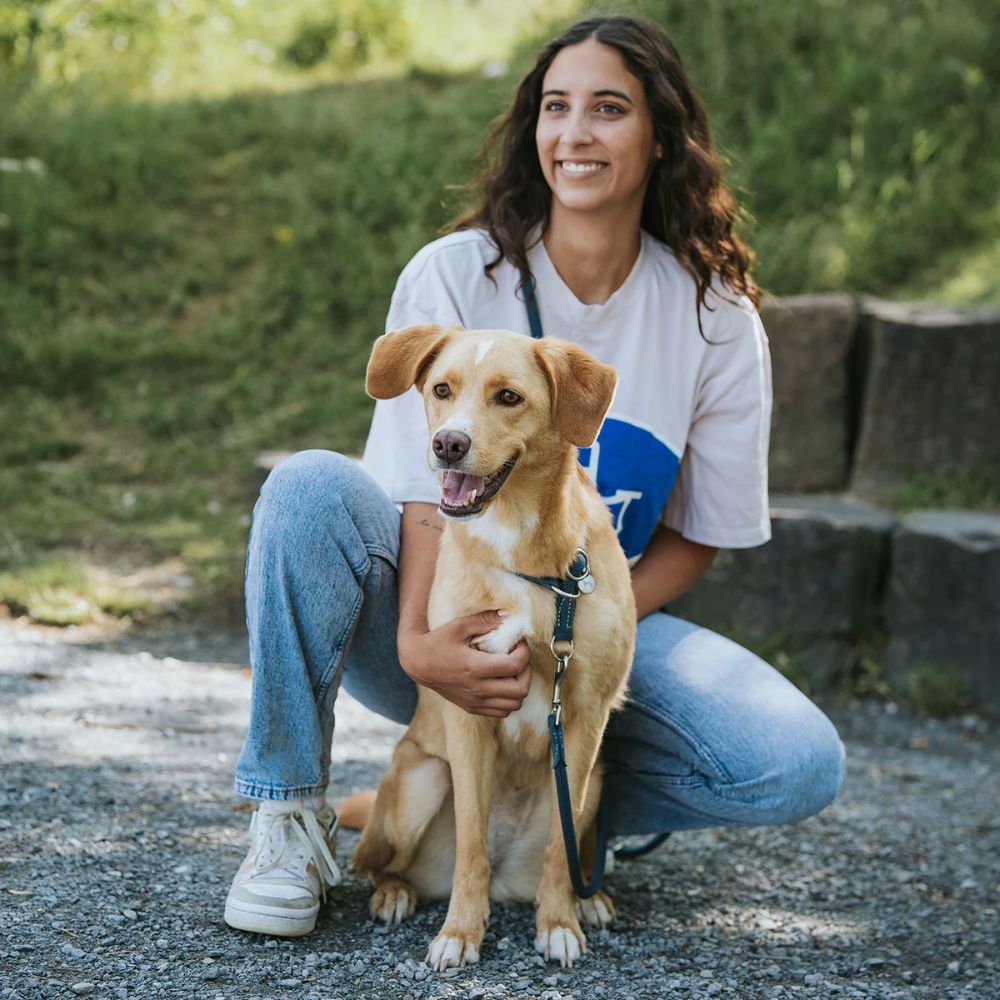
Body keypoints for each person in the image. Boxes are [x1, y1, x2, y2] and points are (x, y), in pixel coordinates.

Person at [224, 14, 845, 939]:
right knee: (308, 487)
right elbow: (413, 489)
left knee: (792, 761)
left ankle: (558, 808)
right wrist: (417, 645)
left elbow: (700, 534)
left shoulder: (713, 316)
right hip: (443, 620)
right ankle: (284, 815)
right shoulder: (454, 274)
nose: (576, 133)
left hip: (589, 623)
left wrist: (584, 624)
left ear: (662, 138)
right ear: (533, 130)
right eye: (557, 108)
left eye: (608, 109)